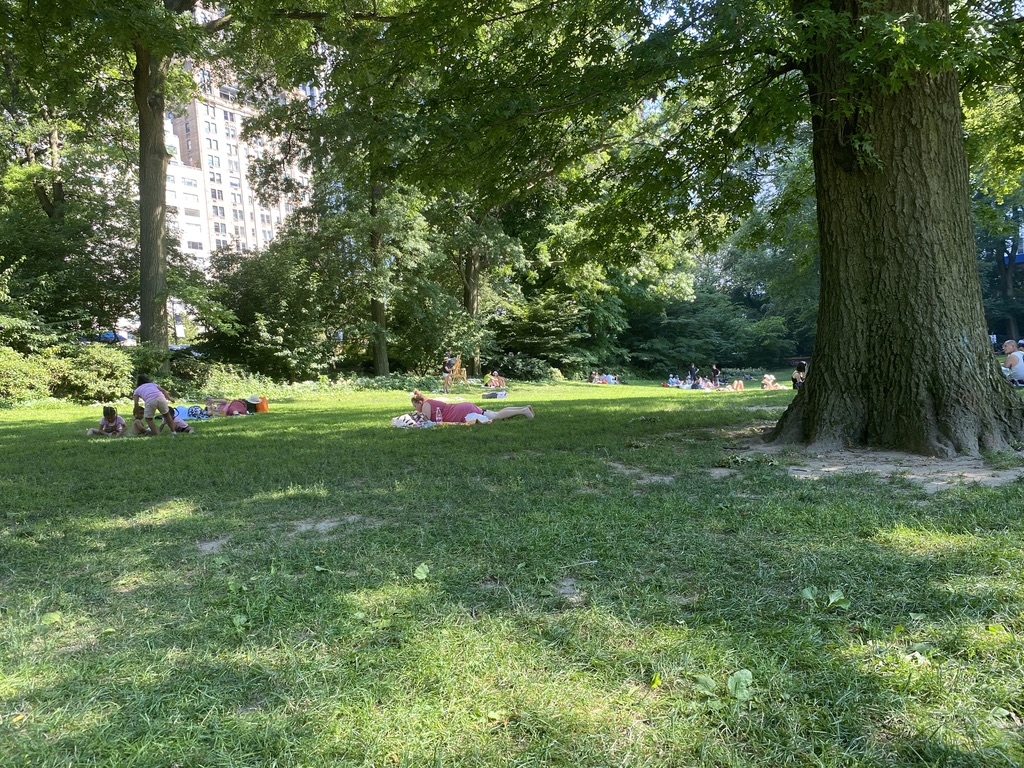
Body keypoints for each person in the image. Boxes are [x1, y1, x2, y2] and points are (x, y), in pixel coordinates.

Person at [410, 390, 534, 424]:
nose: (415, 408)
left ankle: (524, 411)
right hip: (464, 408)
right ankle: (523, 409)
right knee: (494, 413)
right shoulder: (430, 402)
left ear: (419, 402)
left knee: (496, 416)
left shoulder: (426, 404)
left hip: (463, 412)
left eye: (415, 406)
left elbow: (425, 420)